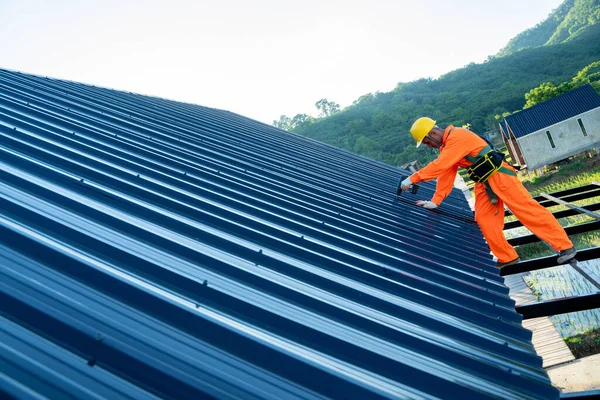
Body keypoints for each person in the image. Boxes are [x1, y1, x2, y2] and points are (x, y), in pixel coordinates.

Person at [400, 117, 577, 268]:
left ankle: (565, 246)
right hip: (484, 183)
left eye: (427, 142)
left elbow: (440, 165)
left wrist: (411, 179)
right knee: (484, 220)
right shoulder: (446, 147)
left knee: (527, 211)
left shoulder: (458, 136)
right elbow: (446, 173)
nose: (429, 146)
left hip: (500, 176)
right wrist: (436, 201)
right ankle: (507, 257)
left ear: (433, 133)